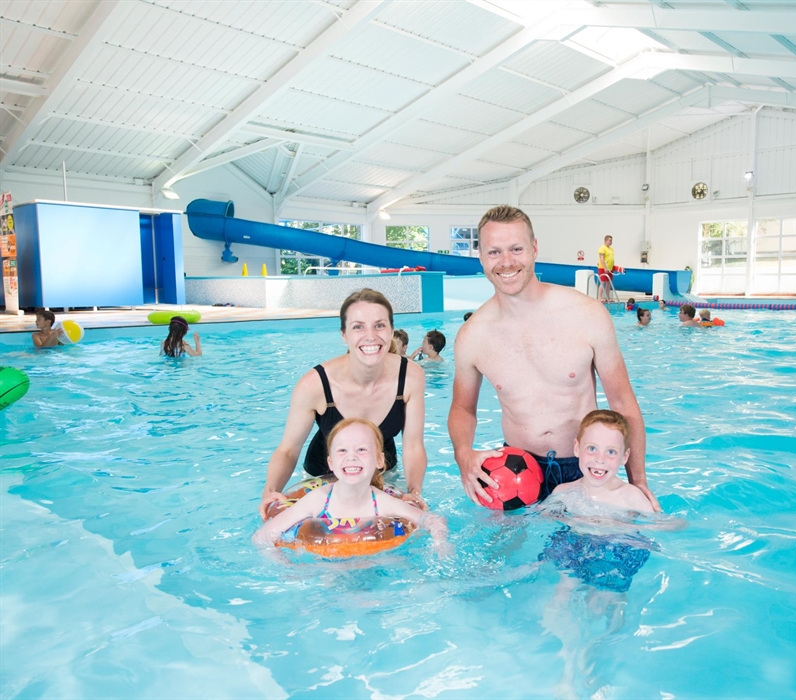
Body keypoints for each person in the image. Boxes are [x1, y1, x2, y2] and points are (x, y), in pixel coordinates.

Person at [448, 205, 658, 510]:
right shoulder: (472, 336)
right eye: (494, 252)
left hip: (586, 467)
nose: (506, 262)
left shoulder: (587, 314)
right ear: (481, 257)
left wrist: (637, 480)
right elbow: (462, 408)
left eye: (516, 249)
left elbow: (623, 404)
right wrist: (463, 454)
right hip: (511, 472)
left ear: (534, 248)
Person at [260, 288, 427, 518]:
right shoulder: (315, 384)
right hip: (323, 475)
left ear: (391, 331)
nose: (370, 336)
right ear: (343, 334)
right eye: (358, 326)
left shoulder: (410, 377)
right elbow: (288, 450)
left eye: (379, 325)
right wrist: (271, 491)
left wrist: (414, 491)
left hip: (382, 472)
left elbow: (413, 446)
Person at [253, 417, 447, 550]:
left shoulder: (382, 502)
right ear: (331, 463)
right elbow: (262, 537)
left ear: (380, 461)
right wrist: (284, 564)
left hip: (375, 562)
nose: (352, 457)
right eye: (342, 451)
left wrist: (439, 546)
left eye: (361, 449)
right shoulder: (318, 501)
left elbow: (432, 520)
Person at [551, 410, 653, 513]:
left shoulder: (632, 497)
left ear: (624, 457)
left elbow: (658, 525)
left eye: (611, 451)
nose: (600, 460)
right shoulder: (563, 493)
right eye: (592, 448)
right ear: (577, 448)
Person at [596, 235, 623, 304]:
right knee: (603, 282)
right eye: (610, 240)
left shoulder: (611, 249)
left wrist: (612, 268)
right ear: (606, 240)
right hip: (603, 268)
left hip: (610, 269)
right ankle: (599, 297)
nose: (611, 242)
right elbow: (602, 259)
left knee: (608, 283)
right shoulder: (602, 248)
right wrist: (605, 267)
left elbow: (611, 259)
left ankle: (608, 298)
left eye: (611, 240)